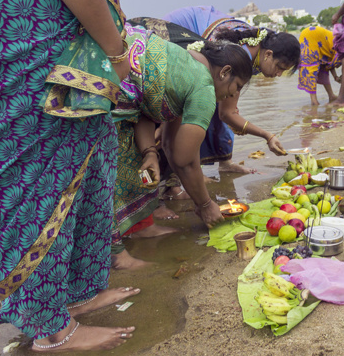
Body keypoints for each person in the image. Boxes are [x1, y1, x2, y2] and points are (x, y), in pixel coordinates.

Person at [0, 0, 139, 352]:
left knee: (90, 167)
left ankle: (75, 293)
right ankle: (49, 328)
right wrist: (116, 52)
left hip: (74, 52)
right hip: (39, 48)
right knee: (44, 182)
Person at [108, 23, 254, 269]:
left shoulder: (185, 61)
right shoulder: (204, 88)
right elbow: (185, 160)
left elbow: (162, 134)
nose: (231, 96)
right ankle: (114, 253)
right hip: (103, 96)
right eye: (236, 87)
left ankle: (137, 228)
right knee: (107, 178)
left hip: (118, 90)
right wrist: (206, 205)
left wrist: (150, 153)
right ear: (224, 72)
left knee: (143, 170)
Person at [160, 7, 299, 177]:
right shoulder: (242, 56)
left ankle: (222, 163)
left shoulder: (257, 48)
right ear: (268, 54)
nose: (278, 75)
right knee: (196, 104)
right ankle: (181, 175)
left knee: (220, 95)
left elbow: (227, 106)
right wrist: (267, 136)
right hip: (176, 31)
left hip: (200, 20)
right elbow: (226, 113)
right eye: (279, 68)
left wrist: (233, 112)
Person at [298, 26, 344, 105]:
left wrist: (335, 76)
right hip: (311, 36)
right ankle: (314, 101)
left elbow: (330, 63)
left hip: (319, 39)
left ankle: (331, 96)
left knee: (323, 67)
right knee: (311, 68)